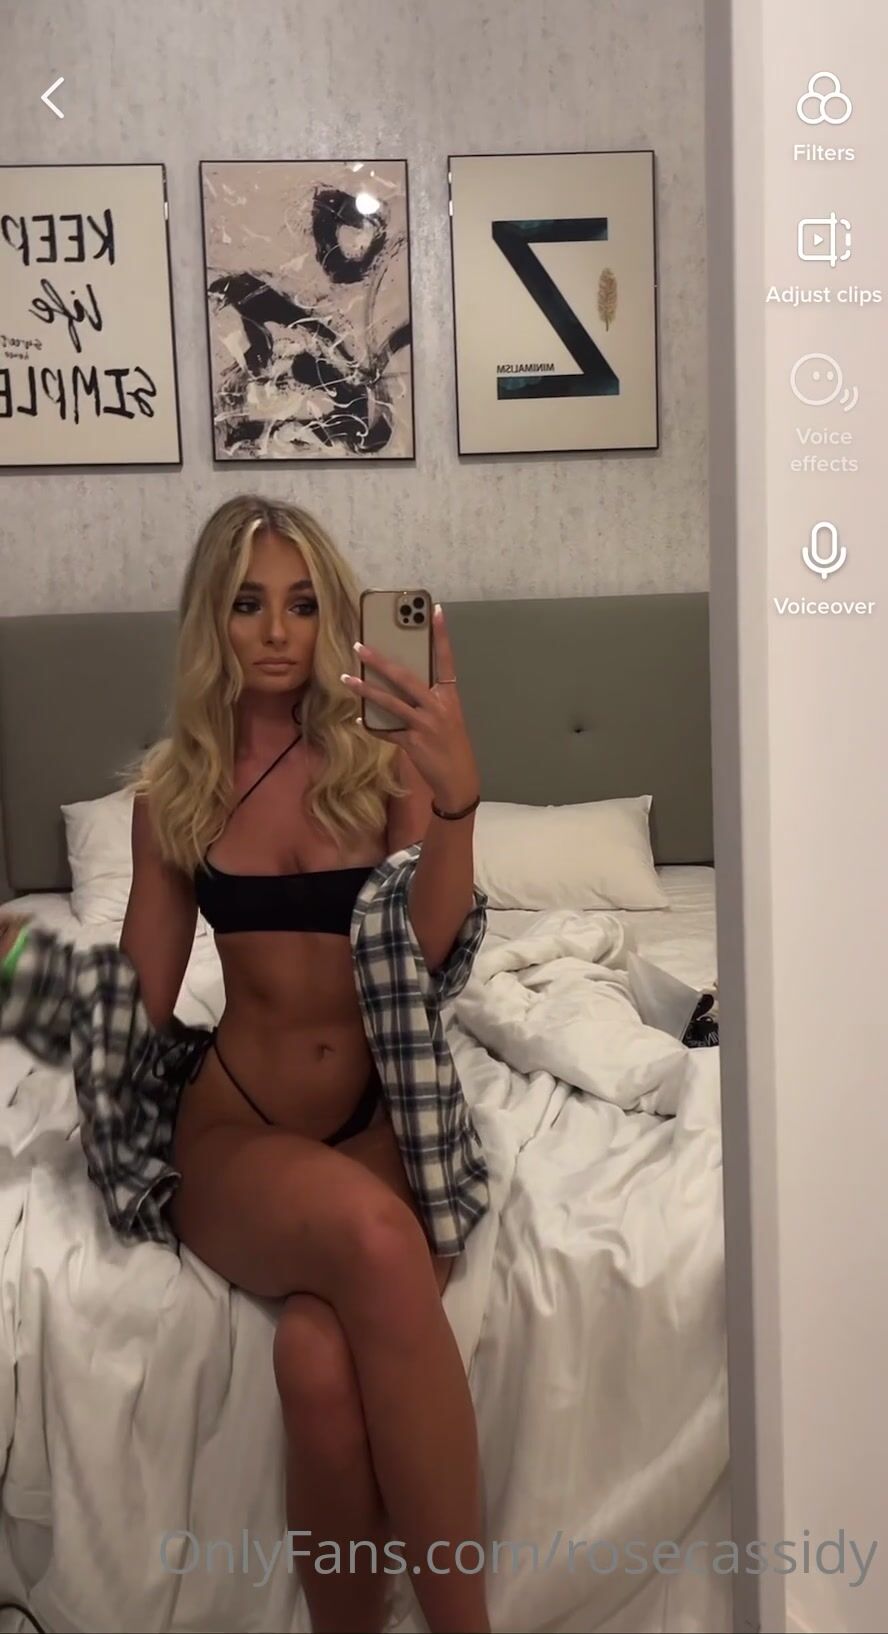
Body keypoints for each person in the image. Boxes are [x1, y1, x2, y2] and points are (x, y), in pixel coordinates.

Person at [0, 495, 492, 1634]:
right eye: (247, 603)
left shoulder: (385, 763)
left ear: (336, 619)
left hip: (379, 1120)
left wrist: (458, 800)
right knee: (379, 1243)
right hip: (238, 1130)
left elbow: (427, 955)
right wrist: (24, 969)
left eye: (304, 603)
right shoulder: (173, 793)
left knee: (317, 1363)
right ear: (210, 622)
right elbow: (139, 1005)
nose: (276, 630)